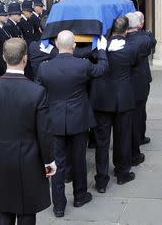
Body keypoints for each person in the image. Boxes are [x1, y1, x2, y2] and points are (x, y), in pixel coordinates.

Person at [0, 38, 56, 225]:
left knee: (5, 207)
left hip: (2, 155)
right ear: (25, 59)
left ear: (4, 57)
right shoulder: (37, 91)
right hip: (30, 157)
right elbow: (44, 131)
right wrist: (49, 160)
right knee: (27, 210)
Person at [36, 30, 108, 217]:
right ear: (74, 45)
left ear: (57, 45)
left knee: (56, 164)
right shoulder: (82, 65)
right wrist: (101, 51)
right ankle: (80, 195)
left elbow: (38, 92)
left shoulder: (44, 67)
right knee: (78, 160)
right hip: (78, 119)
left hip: (55, 120)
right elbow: (101, 70)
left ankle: (58, 206)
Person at [90, 16, 138, 191]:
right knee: (122, 138)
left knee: (102, 142)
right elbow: (134, 64)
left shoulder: (99, 47)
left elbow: (93, 59)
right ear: (126, 30)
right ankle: (122, 173)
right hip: (122, 99)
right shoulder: (131, 47)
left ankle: (101, 181)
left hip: (102, 100)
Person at [125, 12, 156, 165]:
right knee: (139, 112)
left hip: (124, 83)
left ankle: (139, 137)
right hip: (140, 82)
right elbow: (153, 41)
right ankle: (136, 144)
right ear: (140, 24)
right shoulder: (145, 38)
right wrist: (147, 32)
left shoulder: (118, 40)